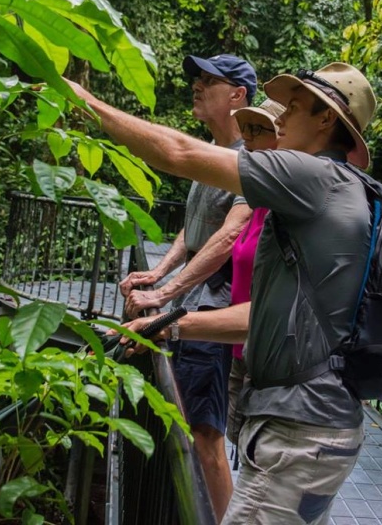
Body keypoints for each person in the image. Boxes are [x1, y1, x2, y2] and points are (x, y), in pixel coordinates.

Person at [66, 61, 377, 525]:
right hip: (307, 430)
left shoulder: (314, 177)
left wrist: (84, 101)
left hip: (301, 433)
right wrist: (169, 326)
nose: (280, 117)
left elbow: (176, 152)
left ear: (326, 119)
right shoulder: (335, 189)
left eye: (292, 107)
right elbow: (262, 316)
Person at [119, 53, 257, 521]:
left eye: (209, 80)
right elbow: (194, 229)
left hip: (210, 307)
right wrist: (160, 275)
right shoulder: (214, 153)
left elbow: (229, 235)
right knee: (184, 419)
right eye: (198, 79)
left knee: (204, 433)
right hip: (188, 302)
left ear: (238, 95)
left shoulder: (249, 161)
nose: (197, 86)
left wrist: (161, 296)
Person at [226, 97, 284, 447]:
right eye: (244, 128)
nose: (246, 137)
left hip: (268, 361)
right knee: (239, 444)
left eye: (258, 129)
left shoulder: (287, 206)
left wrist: (174, 326)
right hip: (239, 351)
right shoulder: (257, 200)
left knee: (257, 458)